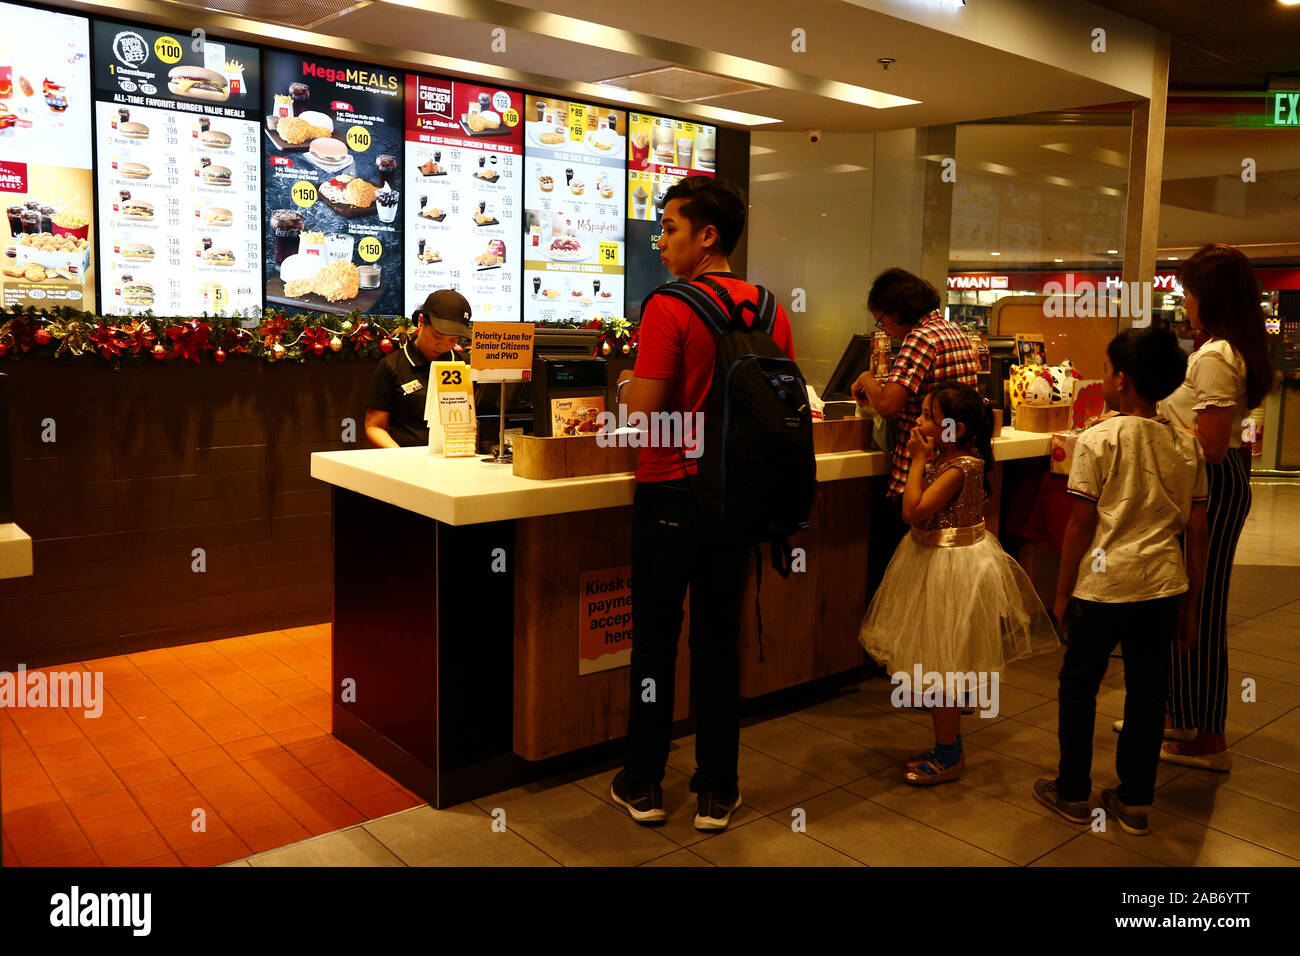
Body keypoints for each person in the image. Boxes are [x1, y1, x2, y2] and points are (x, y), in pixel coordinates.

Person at [610, 176, 794, 831]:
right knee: (719, 643)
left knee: (656, 644)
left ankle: (644, 783)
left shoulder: (669, 306)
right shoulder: (771, 308)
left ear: (706, 236)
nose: (660, 241)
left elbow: (640, 419)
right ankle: (717, 790)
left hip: (669, 491)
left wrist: (630, 384)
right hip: (736, 500)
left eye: (669, 228)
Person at [1036, 328, 1209, 836]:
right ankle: (1134, 802)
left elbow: (1079, 525)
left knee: (1079, 687)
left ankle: (1072, 790)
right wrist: (1192, 606)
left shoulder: (1096, 439)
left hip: (1102, 589)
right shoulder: (1187, 447)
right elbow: (1198, 533)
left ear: (1122, 379)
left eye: (1110, 369)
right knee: (1148, 694)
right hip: (1162, 589)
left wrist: (1063, 591)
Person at [859, 382, 1055, 785]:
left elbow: (912, 510)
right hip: (935, 558)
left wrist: (916, 460)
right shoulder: (952, 458)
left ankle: (950, 754)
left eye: (929, 416)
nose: (919, 421)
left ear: (956, 430)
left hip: (950, 567)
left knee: (941, 665)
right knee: (936, 661)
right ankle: (946, 744)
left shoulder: (959, 467)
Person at [1155, 244, 1275, 772]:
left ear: (1211, 297)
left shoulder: (1217, 356)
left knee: (1197, 606)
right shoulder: (1226, 349)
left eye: (1191, 294)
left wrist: (1154, 426)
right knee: (1183, 599)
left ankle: (1207, 735)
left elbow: (1210, 445)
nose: (1187, 305)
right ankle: (1179, 714)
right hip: (1210, 486)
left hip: (1212, 487)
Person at [850, 269, 980, 592]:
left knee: (909, 583)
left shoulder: (921, 338)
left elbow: (888, 405)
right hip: (954, 469)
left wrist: (867, 379)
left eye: (882, 321)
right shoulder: (955, 332)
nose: (885, 331)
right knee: (939, 583)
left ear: (898, 312)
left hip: (921, 475)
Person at [363, 290, 471, 448]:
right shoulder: (392, 365)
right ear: (421, 321)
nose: (443, 345)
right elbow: (374, 427)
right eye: (437, 336)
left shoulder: (464, 366)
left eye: (453, 340)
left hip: (457, 457)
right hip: (405, 463)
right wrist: (402, 458)